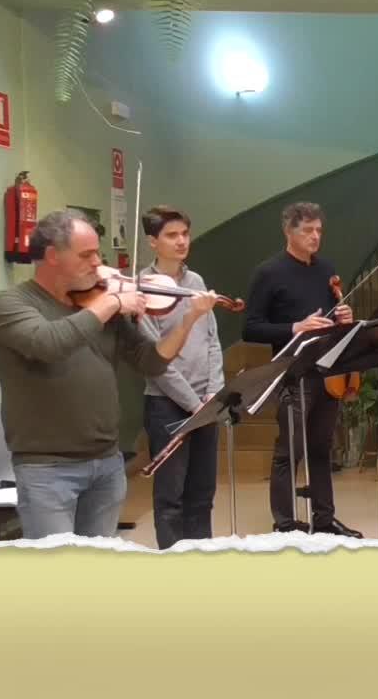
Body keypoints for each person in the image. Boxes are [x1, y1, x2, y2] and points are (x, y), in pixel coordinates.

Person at [0, 209, 217, 540]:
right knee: (56, 567)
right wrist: (111, 303)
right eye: (86, 254)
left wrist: (189, 320)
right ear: (52, 256)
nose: (97, 263)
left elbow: (151, 361)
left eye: (97, 252)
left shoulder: (97, 301)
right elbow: (49, 344)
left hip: (107, 462)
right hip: (47, 469)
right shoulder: (11, 303)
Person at [242, 201, 360, 537]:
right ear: (288, 232)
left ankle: (324, 519)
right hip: (293, 372)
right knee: (289, 451)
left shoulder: (326, 269)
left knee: (322, 448)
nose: (315, 236)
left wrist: (344, 317)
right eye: (307, 230)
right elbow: (250, 328)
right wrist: (296, 327)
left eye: (319, 230)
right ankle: (285, 523)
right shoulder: (269, 272)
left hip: (327, 370)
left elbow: (332, 315)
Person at [136, 206, 224, 550]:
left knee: (202, 494)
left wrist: (214, 392)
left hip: (206, 402)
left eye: (185, 234)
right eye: (171, 235)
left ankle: (202, 560)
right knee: (170, 497)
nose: (181, 241)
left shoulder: (196, 282)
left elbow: (212, 339)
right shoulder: (141, 289)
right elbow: (155, 360)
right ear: (152, 241)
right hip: (167, 404)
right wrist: (192, 403)